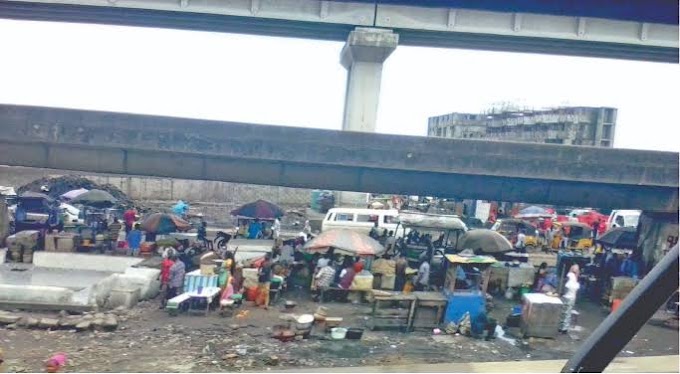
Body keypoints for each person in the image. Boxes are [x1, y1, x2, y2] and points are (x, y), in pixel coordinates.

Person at [559, 264, 581, 333]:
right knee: (567, 313)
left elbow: (565, 287)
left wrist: (561, 293)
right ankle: (563, 327)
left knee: (564, 312)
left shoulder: (570, 277)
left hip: (567, 297)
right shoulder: (575, 280)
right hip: (571, 298)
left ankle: (563, 328)